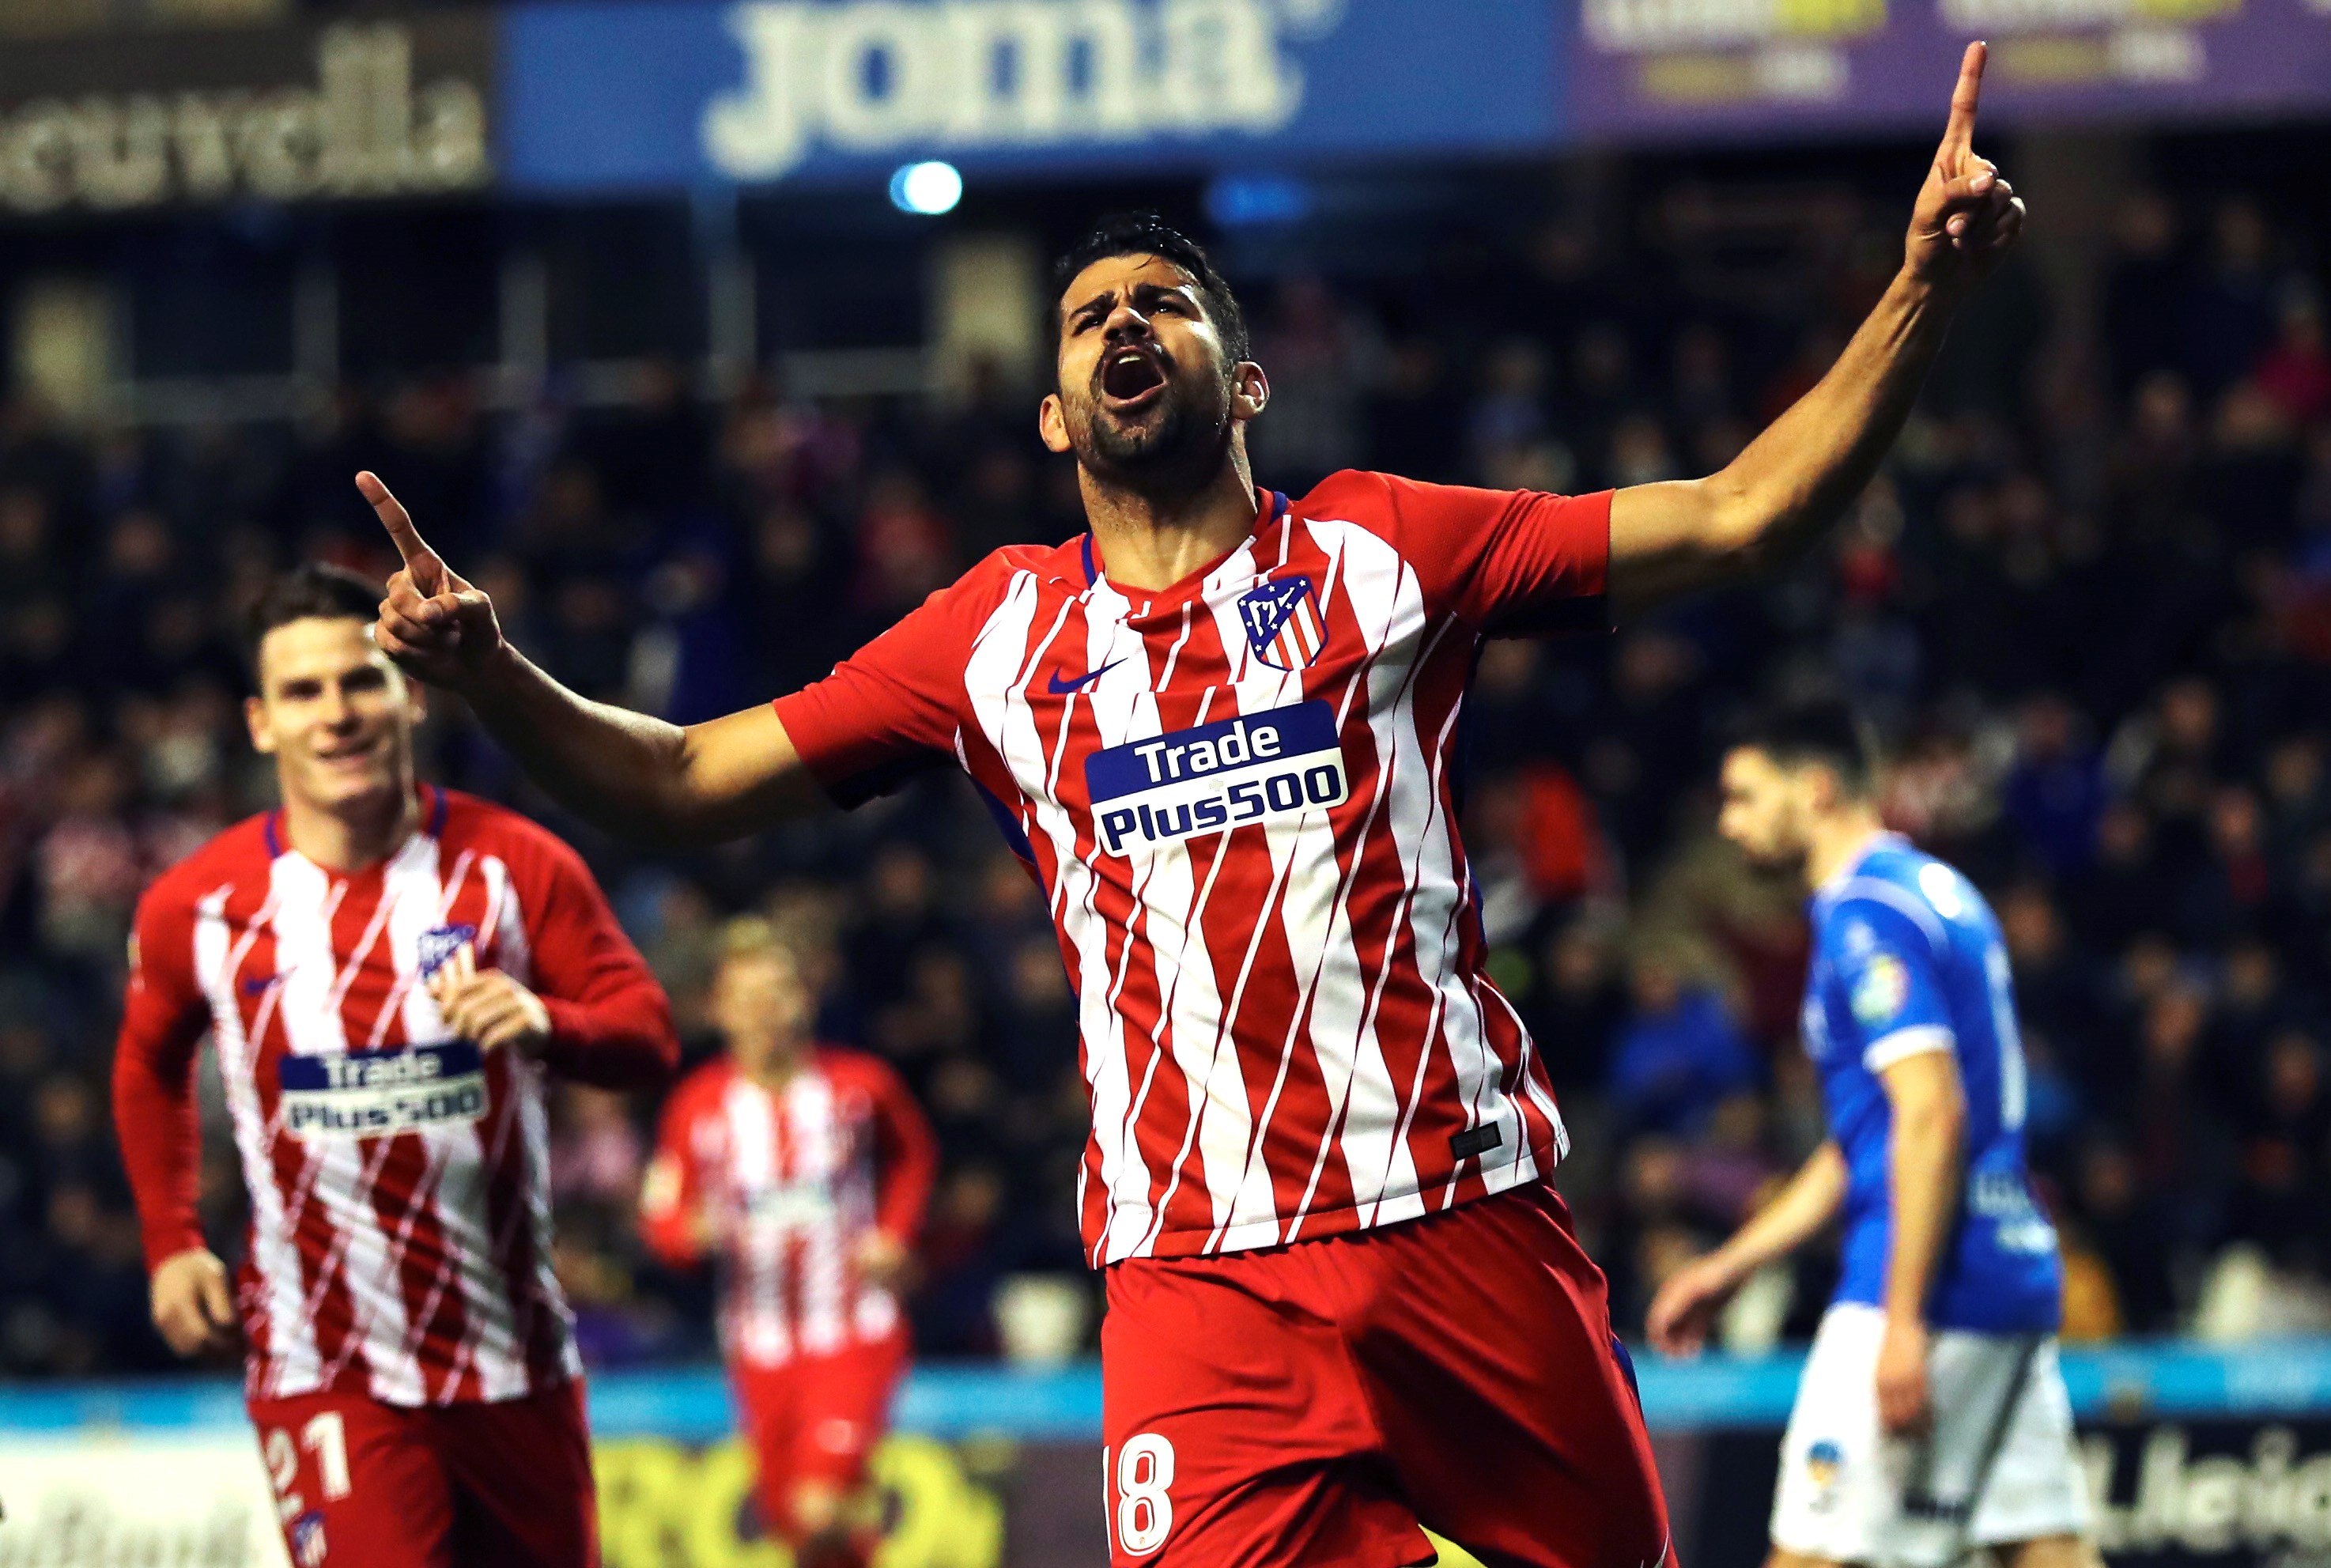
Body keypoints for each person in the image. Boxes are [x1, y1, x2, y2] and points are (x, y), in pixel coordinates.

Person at [365, 46, 2023, 1566]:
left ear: (1243, 381)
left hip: (1459, 1223)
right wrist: (498, 672)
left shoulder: (1388, 549)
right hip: (1199, 1279)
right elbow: (675, 782)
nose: (1124, 326)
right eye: (1089, 317)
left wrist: (1921, 291)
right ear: (1052, 413)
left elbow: (1739, 515)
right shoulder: (996, 637)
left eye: (1164, 301)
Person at [111, 564, 679, 1568]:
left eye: (357, 682)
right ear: (260, 723)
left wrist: (547, 1022)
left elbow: (647, 1031)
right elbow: (147, 1061)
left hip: (515, 1365)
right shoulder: (198, 904)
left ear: (408, 694)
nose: (334, 714)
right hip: (325, 1368)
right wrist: (170, 1239)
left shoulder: (514, 865)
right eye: (302, 692)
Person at [1647, 701, 2100, 1568]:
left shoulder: (1864, 920)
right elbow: (1866, 1137)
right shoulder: (1935, 891)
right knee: (2046, 1553)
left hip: (1926, 1285)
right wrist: (1729, 1265)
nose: (1727, 822)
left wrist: (1900, 1319)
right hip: (2003, 1266)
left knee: (1813, 1557)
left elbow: (1929, 1115)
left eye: (1744, 796)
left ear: (1814, 790)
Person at [639, 916, 937, 1568]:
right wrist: (687, 1235)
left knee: (820, 1505)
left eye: (777, 992)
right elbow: (662, 1216)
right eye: (746, 996)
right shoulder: (697, 1107)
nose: (764, 1010)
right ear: (719, 1009)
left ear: (805, 998)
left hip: (853, 1332)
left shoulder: (859, 1086)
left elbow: (913, 1155)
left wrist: (893, 1235)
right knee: (798, 1530)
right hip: (759, 1341)